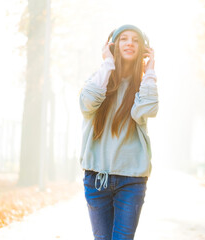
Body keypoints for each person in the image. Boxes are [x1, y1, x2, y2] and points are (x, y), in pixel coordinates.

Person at [79, 24, 158, 240]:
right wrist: (107, 64)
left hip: (131, 181)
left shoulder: (144, 86)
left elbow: (149, 109)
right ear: (113, 45)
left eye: (135, 40)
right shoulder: (99, 79)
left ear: (143, 48)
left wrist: (149, 70)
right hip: (97, 178)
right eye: (124, 39)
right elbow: (86, 104)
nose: (130, 43)